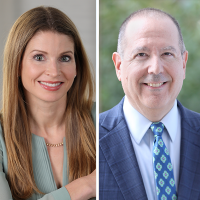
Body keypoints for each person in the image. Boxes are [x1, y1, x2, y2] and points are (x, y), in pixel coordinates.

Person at [99, 8, 200, 200]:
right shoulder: (93, 137)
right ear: (119, 66)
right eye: (141, 55)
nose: (155, 68)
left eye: (167, 54)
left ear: (184, 63)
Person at [0, 6, 96, 200]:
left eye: (65, 58)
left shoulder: (103, 121)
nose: (54, 71)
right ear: (17, 65)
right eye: (39, 57)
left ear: (77, 66)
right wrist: (87, 185)